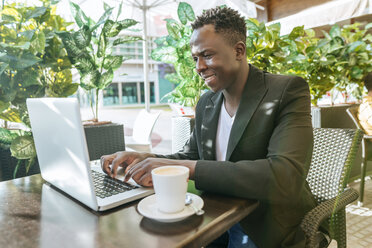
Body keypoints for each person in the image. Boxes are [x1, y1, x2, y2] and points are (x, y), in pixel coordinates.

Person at [101, 7, 317, 248]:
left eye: (207, 55)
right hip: (215, 215)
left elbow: (286, 176)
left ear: (238, 51)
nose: (198, 67)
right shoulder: (207, 102)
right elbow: (191, 157)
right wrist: (146, 158)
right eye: (195, 58)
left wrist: (182, 166)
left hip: (265, 224)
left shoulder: (285, 91)